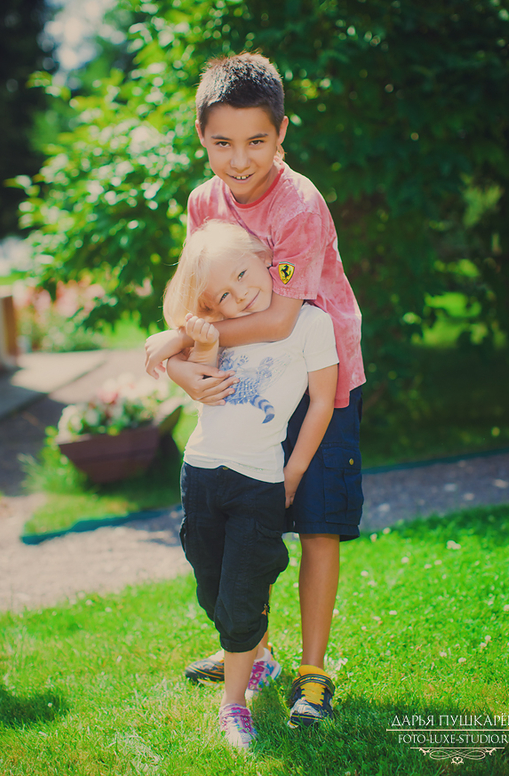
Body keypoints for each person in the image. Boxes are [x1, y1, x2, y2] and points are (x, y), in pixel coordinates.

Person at [145, 52, 365, 729]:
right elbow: (194, 296)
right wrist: (183, 365)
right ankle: (252, 647)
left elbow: (279, 320)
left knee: (317, 521)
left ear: (282, 133)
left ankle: (313, 673)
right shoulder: (203, 202)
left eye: (256, 141)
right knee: (239, 522)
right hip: (249, 381)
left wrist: (182, 341)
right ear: (200, 137)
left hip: (319, 377)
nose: (239, 161)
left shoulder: (299, 205)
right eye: (222, 143)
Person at [164, 220, 338, 748]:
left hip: (258, 480)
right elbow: (207, 389)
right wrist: (203, 345)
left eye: (243, 275)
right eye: (223, 294)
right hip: (200, 473)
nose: (240, 295)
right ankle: (258, 657)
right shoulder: (221, 329)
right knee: (212, 587)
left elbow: (322, 403)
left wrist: (294, 472)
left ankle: (233, 705)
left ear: (266, 260)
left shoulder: (310, 323)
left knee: (242, 593)